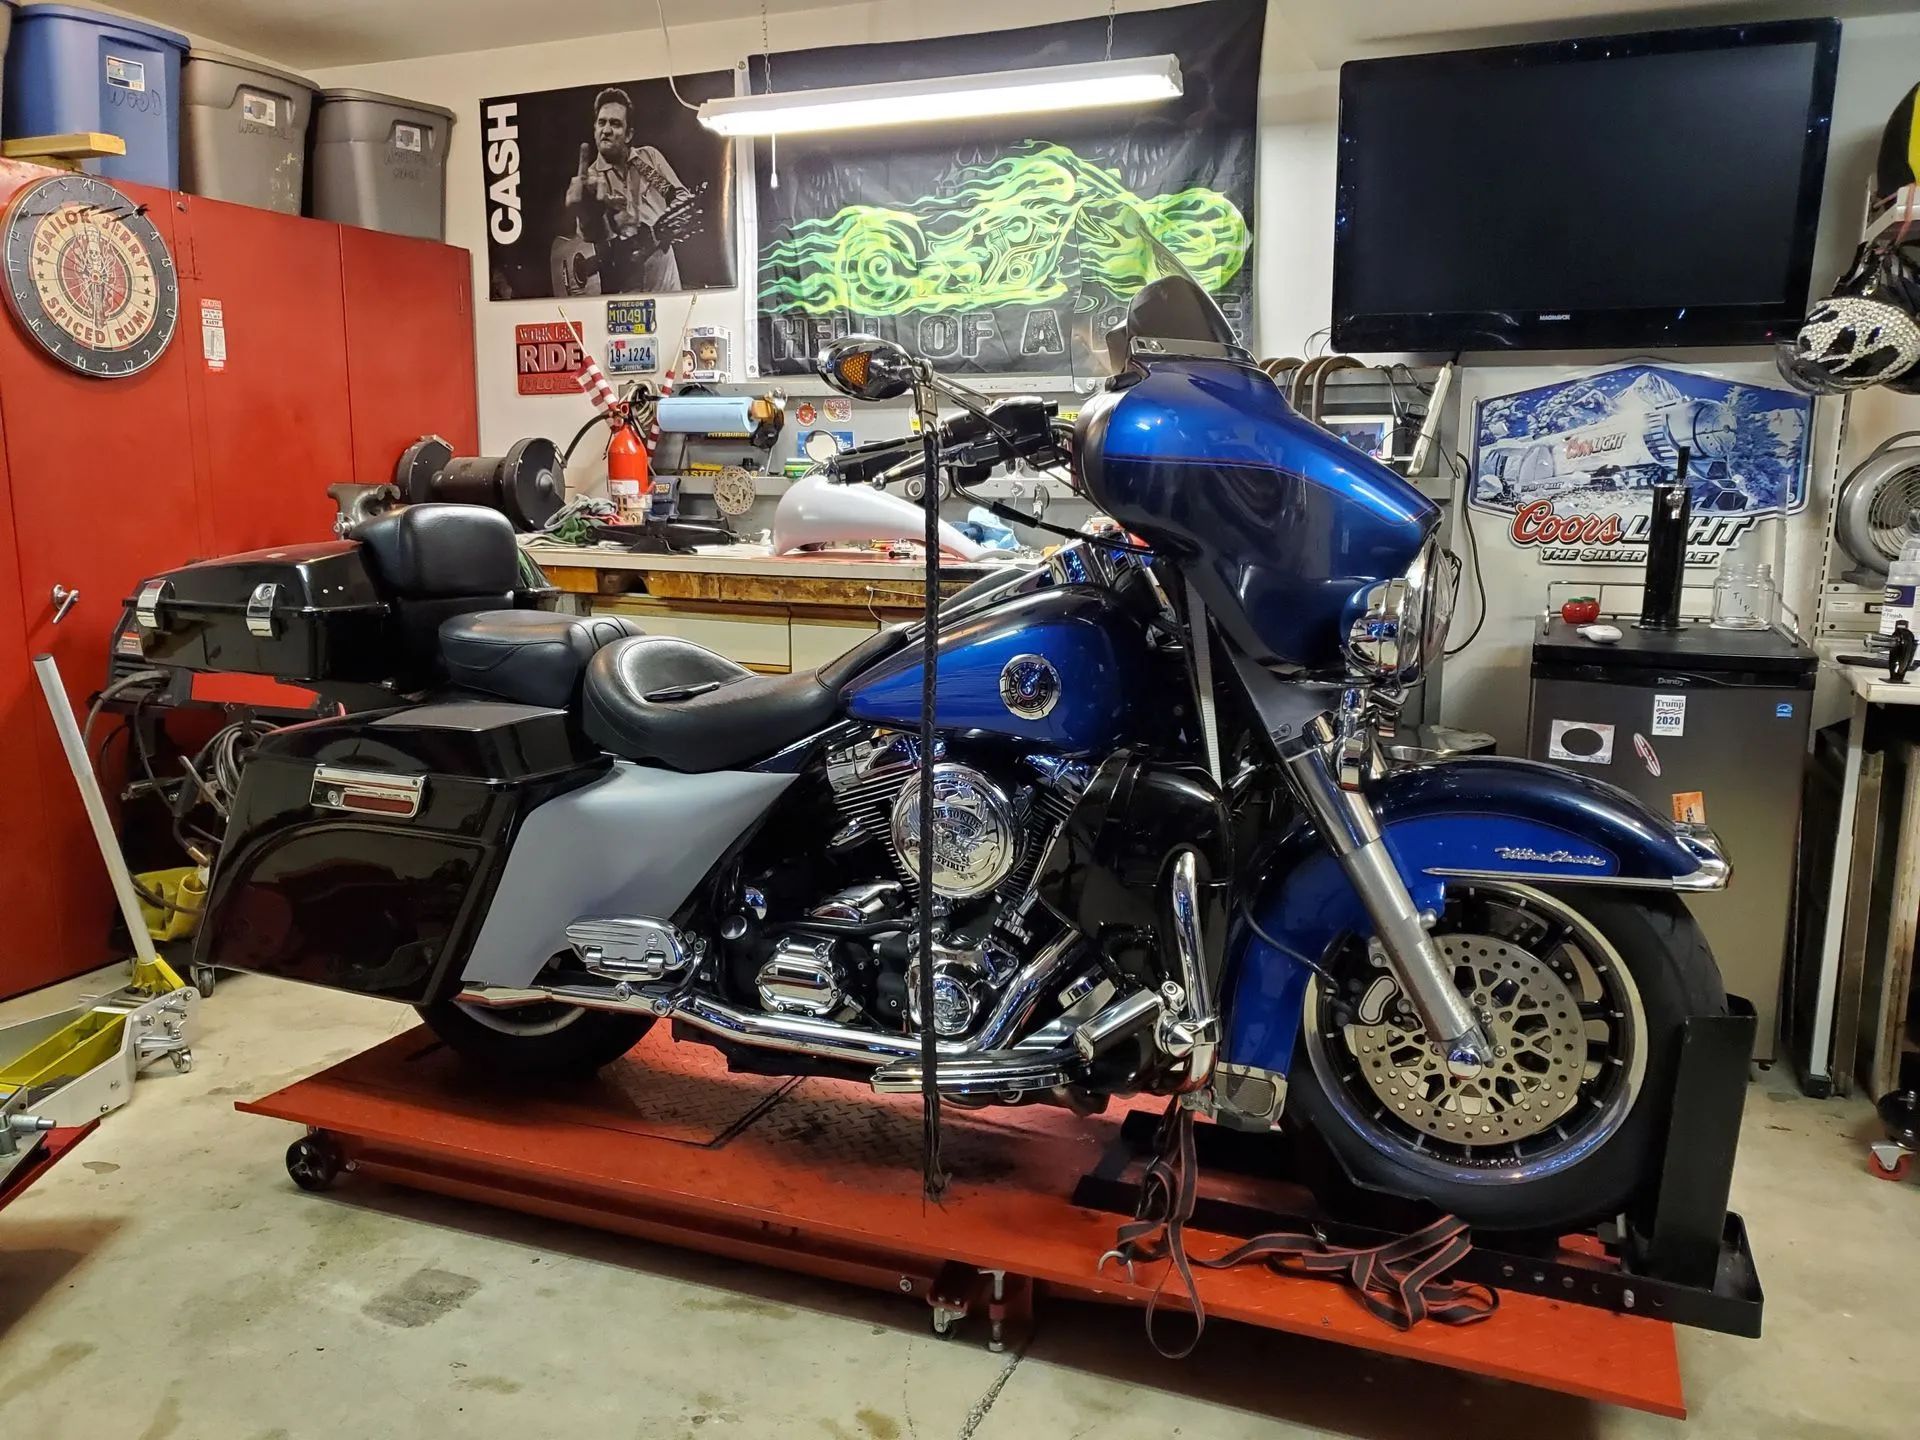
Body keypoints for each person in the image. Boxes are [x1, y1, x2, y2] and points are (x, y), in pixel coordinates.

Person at [564, 87, 702, 293]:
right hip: (624, 296)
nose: (607, 130)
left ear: (629, 135)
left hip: (665, 284)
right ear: (594, 129)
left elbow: (678, 196)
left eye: (615, 123)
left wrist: (658, 231)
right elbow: (590, 237)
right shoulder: (591, 179)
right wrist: (589, 218)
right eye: (601, 122)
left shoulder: (647, 160)